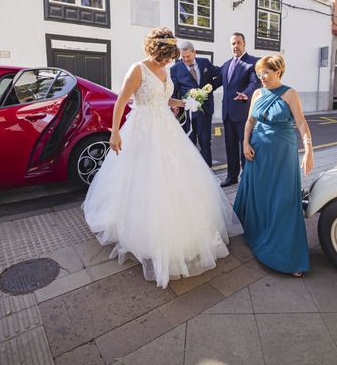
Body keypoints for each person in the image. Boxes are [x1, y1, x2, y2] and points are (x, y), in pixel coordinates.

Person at [82, 27, 242, 289]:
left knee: (176, 175)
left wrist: (185, 102)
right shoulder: (137, 69)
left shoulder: (164, 69)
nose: (170, 62)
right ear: (156, 51)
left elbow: (164, 99)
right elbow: (121, 100)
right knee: (144, 176)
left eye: (171, 58)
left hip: (166, 127)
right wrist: (114, 133)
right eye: (167, 57)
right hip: (142, 129)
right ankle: (138, 229)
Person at [233, 54, 313, 277]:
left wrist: (309, 150)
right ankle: (256, 233)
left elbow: (301, 123)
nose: (262, 77)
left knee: (283, 199)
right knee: (259, 196)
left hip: (282, 154)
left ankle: (287, 255)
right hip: (257, 152)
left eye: (266, 72)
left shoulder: (290, 93)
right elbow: (250, 121)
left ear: (279, 72)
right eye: (259, 73)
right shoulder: (257, 93)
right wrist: (245, 143)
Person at [215, 32, 260, 187]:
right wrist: (199, 90)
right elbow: (216, 82)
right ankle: (231, 176)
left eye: (238, 43)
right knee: (230, 147)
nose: (235, 46)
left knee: (245, 146)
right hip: (227, 112)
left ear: (244, 43)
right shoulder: (226, 64)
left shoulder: (253, 62)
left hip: (243, 113)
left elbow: (254, 83)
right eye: (233, 43)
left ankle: (247, 177)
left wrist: (246, 94)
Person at [170, 41, 221, 167]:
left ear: (194, 52)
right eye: (183, 57)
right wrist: (174, 106)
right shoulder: (175, 69)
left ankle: (208, 172)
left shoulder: (205, 63)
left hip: (205, 111)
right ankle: (191, 170)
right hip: (187, 114)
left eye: (188, 56)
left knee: (205, 142)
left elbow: (220, 74)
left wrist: (210, 87)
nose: (185, 59)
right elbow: (175, 91)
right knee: (189, 142)